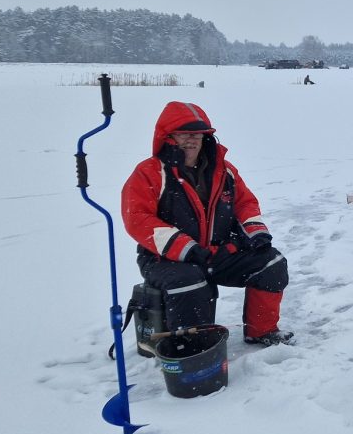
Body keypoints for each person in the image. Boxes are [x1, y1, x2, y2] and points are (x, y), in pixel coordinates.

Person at [121, 101, 294, 346]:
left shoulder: (224, 170)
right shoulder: (148, 172)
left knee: (271, 263)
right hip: (164, 259)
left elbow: (245, 203)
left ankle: (262, 330)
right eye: (183, 134)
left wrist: (255, 232)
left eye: (197, 135)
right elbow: (137, 217)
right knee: (191, 281)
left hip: (215, 253)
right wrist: (185, 248)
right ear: (167, 137)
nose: (191, 140)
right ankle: (193, 348)